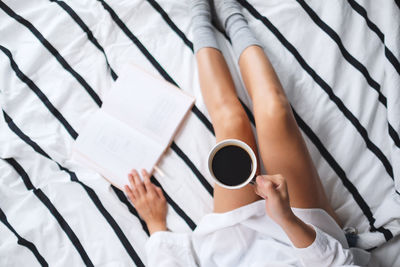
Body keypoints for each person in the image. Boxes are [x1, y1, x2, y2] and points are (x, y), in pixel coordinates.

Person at [124, 0, 371, 266]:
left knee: (230, 122)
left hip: (232, 249)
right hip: (305, 243)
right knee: (273, 110)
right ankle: (231, 14)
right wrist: (286, 217)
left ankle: (200, 14)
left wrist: (156, 225)